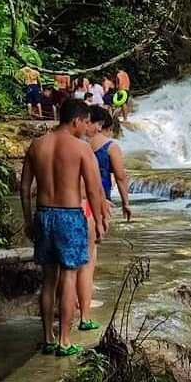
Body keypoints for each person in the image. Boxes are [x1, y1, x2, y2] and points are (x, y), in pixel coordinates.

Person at [20, 99, 108, 357]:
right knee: (69, 278)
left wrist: (28, 220)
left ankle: (47, 337)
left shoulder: (37, 145)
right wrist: (100, 222)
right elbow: (93, 190)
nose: (86, 128)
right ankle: (65, 341)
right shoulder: (81, 149)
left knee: (49, 280)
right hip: (70, 216)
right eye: (85, 122)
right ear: (76, 120)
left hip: (44, 214)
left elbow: (25, 189)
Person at [74, 106, 132, 332]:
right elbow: (120, 176)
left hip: (73, 200)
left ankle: (80, 295)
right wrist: (126, 202)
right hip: (97, 199)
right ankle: (83, 301)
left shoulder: (79, 145)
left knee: (78, 252)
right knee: (90, 253)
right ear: (100, 125)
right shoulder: (110, 147)